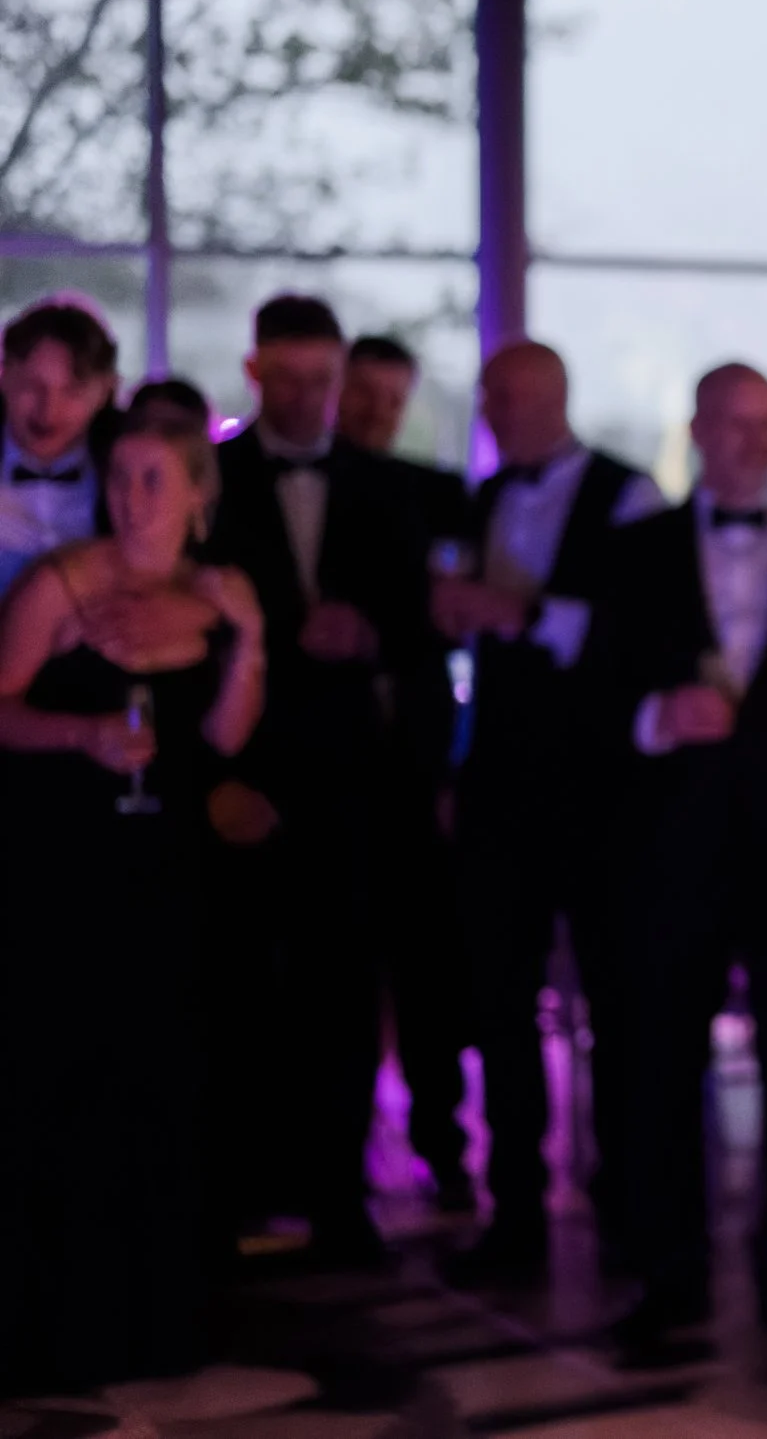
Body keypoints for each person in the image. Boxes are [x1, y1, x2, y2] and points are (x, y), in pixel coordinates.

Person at [587, 363, 767, 1356]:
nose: (753, 442)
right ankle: (669, 1276)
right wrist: (653, 716)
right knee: (658, 1063)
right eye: (734, 424)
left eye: (766, 423)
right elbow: (586, 704)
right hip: (668, 853)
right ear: (699, 430)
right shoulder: (630, 554)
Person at [0, 413, 264, 1393]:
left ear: (199, 493)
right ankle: (57, 1321)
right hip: (67, 871)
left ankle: (161, 1316)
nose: (132, 497)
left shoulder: (221, 591)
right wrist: (84, 736)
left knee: (166, 1085)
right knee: (65, 1081)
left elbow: (231, 735)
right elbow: (2, 705)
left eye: (155, 479)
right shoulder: (58, 582)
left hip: (173, 874)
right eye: (120, 478)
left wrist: (251, 643)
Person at [204, 293, 430, 1265]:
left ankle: (343, 1196)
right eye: (285, 379)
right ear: (253, 374)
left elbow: (425, 630)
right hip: (239, 774)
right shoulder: (207, 479)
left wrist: (373, 633)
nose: (304, 398)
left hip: (350, 781)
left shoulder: (387, 487)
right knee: (241, 983)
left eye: (319, 381)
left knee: (344, 986)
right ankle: (243, 1188)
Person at [433, 340, 663, 1281]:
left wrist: (515, 613)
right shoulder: (482, 498)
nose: (500, 417)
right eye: (491, 401)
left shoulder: (629, 495)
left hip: (598, 789)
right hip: (496, 785)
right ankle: (514, 1209)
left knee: (616, 998)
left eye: (516, 400)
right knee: (497, 998)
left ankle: (623, 1202)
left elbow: (635, 632)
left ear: (558, 397)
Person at [336, 332, 476, 1214]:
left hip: (421, 768)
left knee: (431, 973)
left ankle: (443, 1146)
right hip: (330, 771)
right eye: (366, 396)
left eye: (393, 400)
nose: (378, 414)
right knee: (337, 975)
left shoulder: (437, 494)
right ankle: (332, 1166)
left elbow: (452, 621)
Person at [0, 296, 120, 594]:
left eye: (72, 391)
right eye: (32, 386)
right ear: (4, 376)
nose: (48, 410)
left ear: (105, 390)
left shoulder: (125, 462)